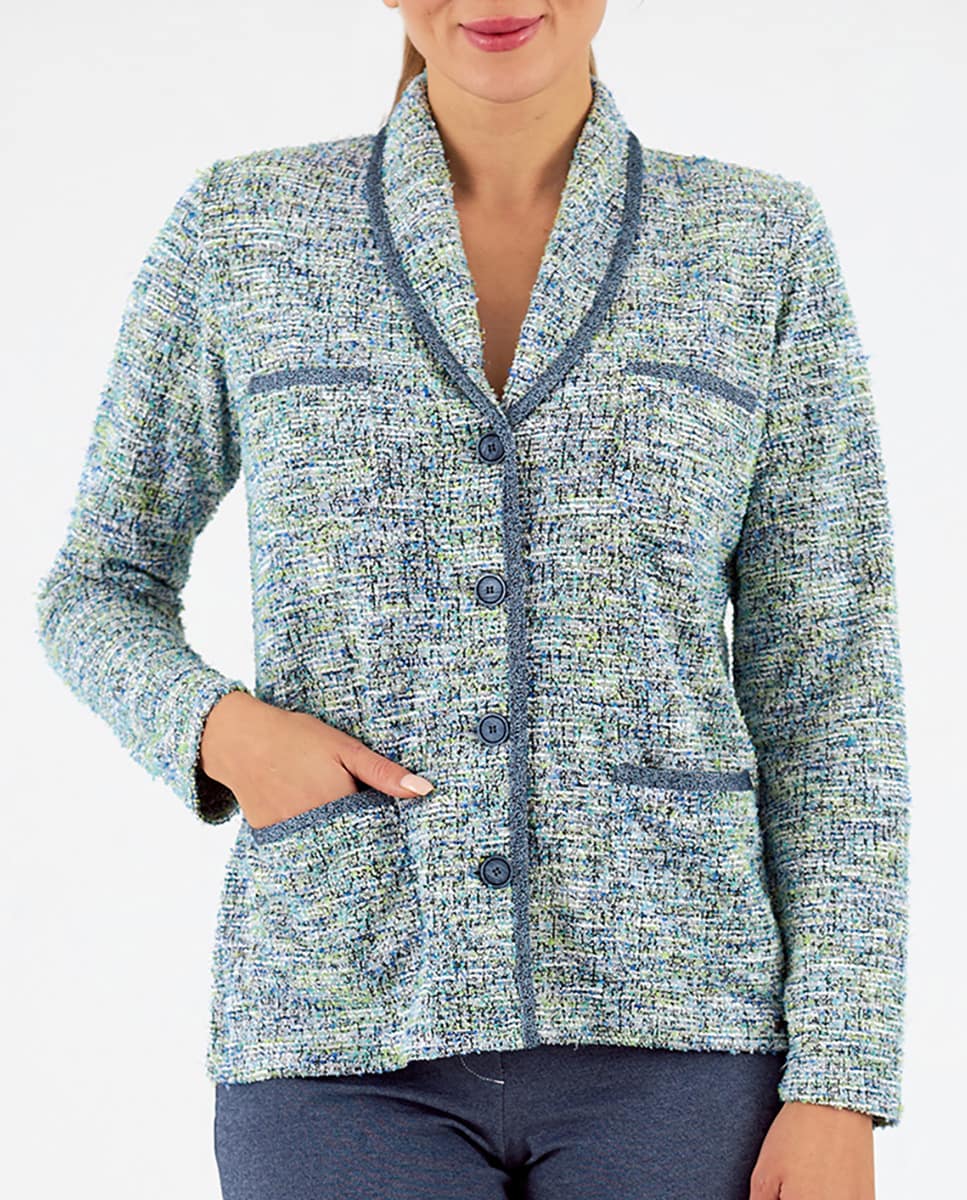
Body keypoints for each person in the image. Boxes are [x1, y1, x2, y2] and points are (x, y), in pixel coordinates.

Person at [34, 3, 911, 1198]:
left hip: (683, 1035)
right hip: (336, 1026)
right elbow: (97, 585)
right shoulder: (243, 227)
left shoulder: (758, 242)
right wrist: (223, 732)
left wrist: (841, 1079)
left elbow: (830, 681)